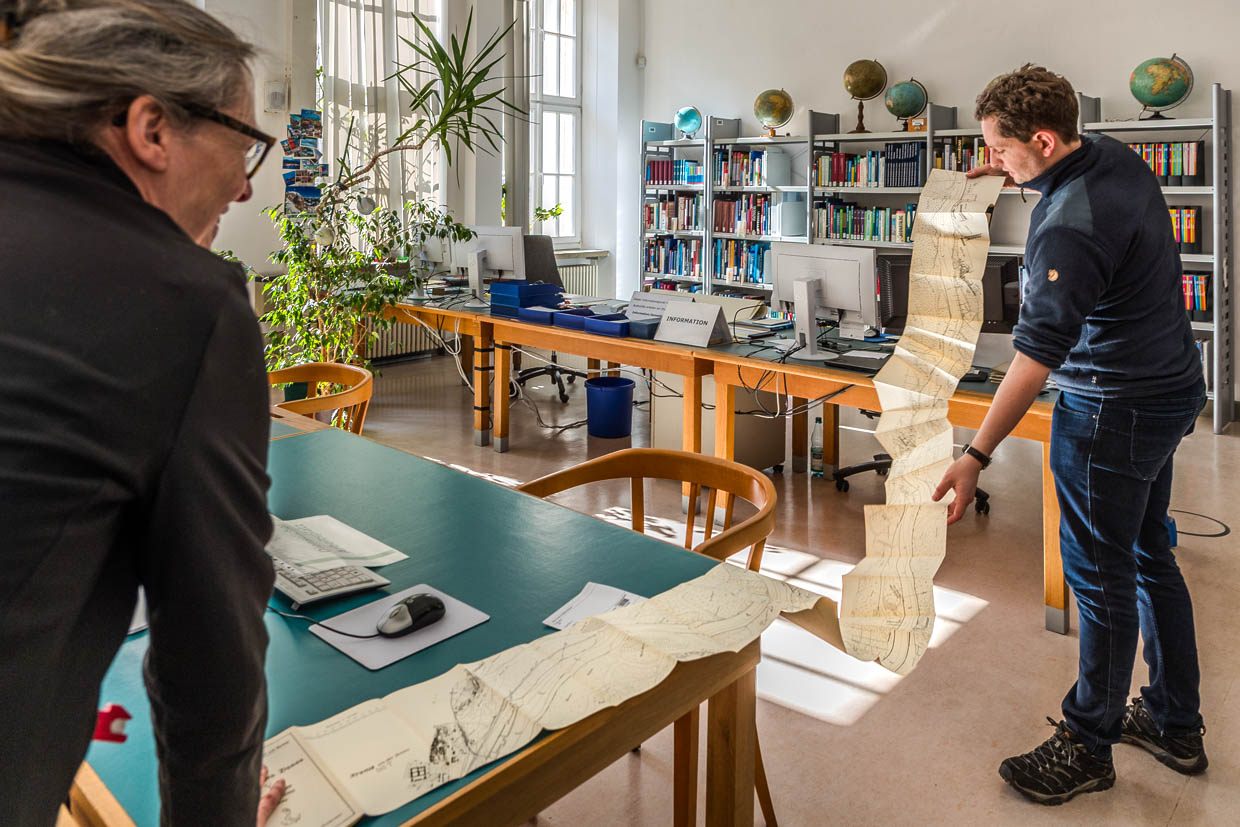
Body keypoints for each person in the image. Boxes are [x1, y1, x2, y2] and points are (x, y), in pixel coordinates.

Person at [0, 1, 285, 823]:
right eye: (244, 144)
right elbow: (212, 663)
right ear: (152, 128)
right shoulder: (185, 302)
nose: (243, 183)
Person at [933, 65, 1209, 805]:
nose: (995, 162)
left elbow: (1034, 358)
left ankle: (1088, 744)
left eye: (1001, 150)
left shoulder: (1070, 221)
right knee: (1148, 552)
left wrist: (974, 455)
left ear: (1045, 139)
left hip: (1111, 410)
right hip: (1170, 387)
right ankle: (1175, 721)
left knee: (1099, 576)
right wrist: (999, 167)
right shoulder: (1113, 157)